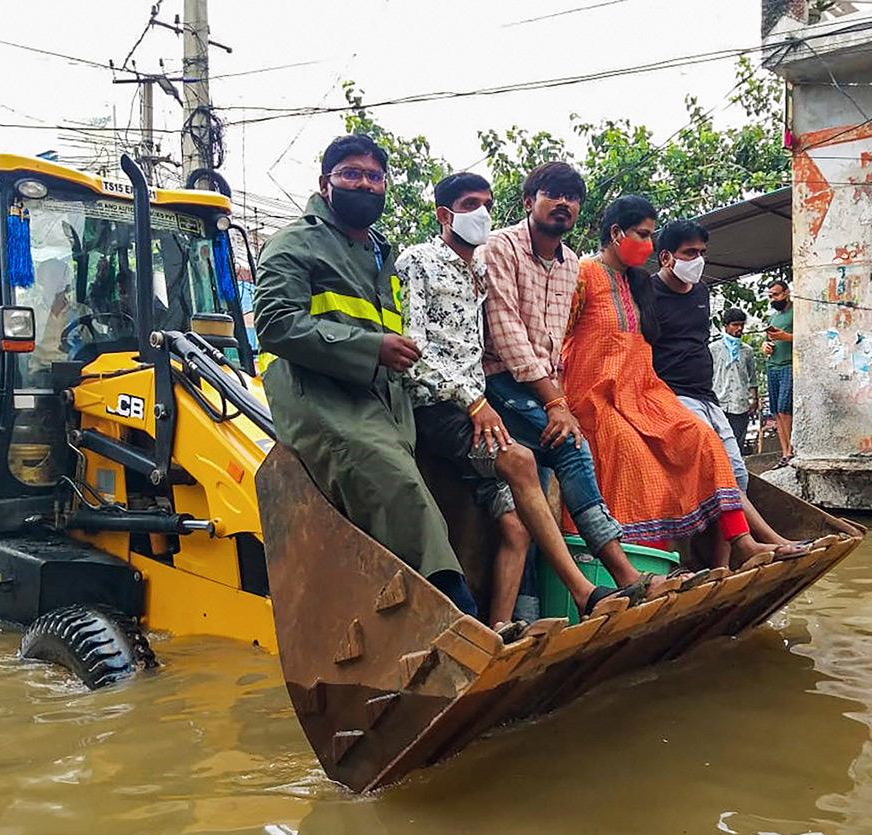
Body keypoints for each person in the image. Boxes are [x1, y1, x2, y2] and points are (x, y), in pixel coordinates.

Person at [254, 134, 477, 617]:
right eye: (351, 174)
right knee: (402, 497)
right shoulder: (295, 243)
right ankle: (463, 620)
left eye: (375, 177)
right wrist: (371, 348)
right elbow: (274, 325)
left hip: (383, 405)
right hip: (320, 399)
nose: (366, 185)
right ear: (325, 183)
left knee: (437, 492)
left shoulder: (381, 253)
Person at [398, 172, 618, 629]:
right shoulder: (417, 261)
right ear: (444, 214)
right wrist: (476, 402)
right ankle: (587, 592)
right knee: (521, 460)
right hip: (439, 406)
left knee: (517, 524)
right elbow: (412, 351)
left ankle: (501, 628)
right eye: (469, 204)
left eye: (486, 204)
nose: (480, 213)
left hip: (482, 405)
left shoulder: (480, 267)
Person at [562, 197, 803, 570]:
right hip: (594, 396)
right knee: (629, 454)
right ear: (615, 234)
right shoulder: (582, 274)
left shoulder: (637, 283)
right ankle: (642, 566)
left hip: (642, 393)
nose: (647, 243)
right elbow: (558, 338)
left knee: (703, 439)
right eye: (642, 235)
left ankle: (745, 544)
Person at [481, 163, 661, 603]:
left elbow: (553, 343)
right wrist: (556, 403)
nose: (563, 203)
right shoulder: (500, 247)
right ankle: (620, 576)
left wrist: (558, 401)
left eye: (572, 197)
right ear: (529, 202)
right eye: (552, 193)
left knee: (545, 481)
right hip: (497, 380)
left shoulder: (568, 266)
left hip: (541, 389)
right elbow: (506, 333)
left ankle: (539, 609)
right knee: (569, 447)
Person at [648, 220, 748, 491]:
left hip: (706, 394)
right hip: (673, 395)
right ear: (666, 257)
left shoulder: (701, 291)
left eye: (702, 252)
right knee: (712, 467)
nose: (698, 260)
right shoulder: (647, 293)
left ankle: (730, 533)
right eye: (690, 253)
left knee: (738, 474)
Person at [710, 307, 759, 451]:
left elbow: (752, 377)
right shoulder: (713, 349)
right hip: (719, 403)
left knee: (737, 445)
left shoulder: (747, 351)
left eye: (741, 325)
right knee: (717, 445)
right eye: (735, 325)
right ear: (726, 326)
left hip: (740, 404)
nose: (739, 328)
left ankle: (734, 473)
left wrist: (754, 400)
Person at [762, 279, 794, 466]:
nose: (773, 299)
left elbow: (807, 337)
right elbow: (767, 341)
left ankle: (791, 450)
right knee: (776, 411)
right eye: (770, 296)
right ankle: (784, 451)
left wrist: (787, 337)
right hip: (772, 365)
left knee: (784, 408)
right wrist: (765, 346)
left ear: (786, 293)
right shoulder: (772, 318)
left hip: (789, 365)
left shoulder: (795, 313)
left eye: (776, 294)